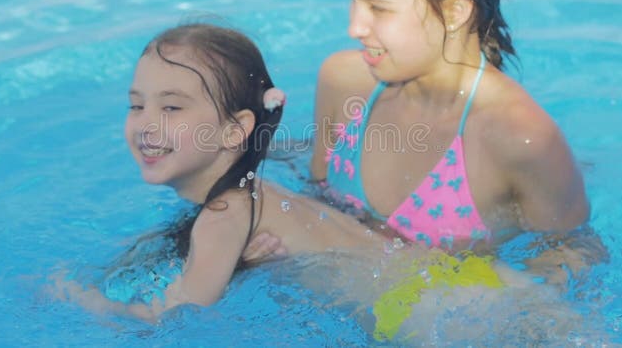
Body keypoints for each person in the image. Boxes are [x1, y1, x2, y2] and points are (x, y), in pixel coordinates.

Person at [244, 0, 592, 266]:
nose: (355, 27)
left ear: (454, 12)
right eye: (353, 0)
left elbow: (570, 259)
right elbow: (318, 202)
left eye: (379, 8)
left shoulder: (520, 136)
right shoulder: (344, 83)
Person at [50, 23, 410, 323]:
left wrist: (85, 301)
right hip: (420, 272)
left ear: (235, 129)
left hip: (411, 312)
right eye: (137, 106)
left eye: (172, 107)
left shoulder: (221, 218)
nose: (146, 125)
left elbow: (171, 319)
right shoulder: (253, 193)